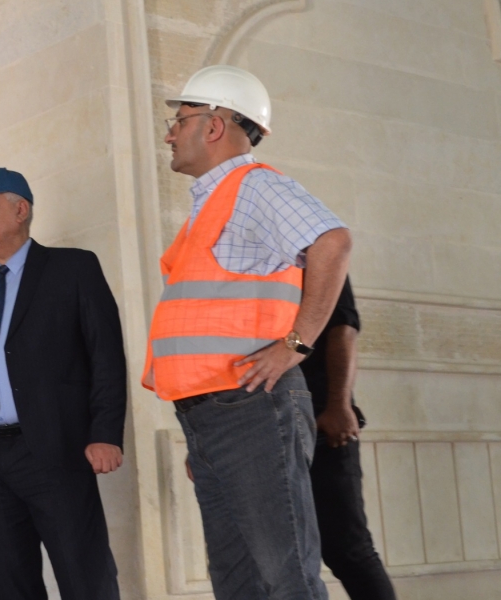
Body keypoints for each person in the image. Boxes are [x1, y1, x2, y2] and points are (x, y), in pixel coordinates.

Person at [147, 65, 351, 599]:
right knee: (238, 584)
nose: (170, 133)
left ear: (214, 127)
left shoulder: (255, 186)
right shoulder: (215, 202)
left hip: (251, 410)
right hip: (213, 414)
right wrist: (206, 432)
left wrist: (296, 345)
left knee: (286, 580)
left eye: (180, 119)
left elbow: (332, 242)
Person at [0, 168, 127, 600]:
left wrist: (105, 433)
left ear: (21, 210)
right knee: (5, 585)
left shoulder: (73, 268)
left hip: (55, 452)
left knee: (86, 579)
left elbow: (106, 357)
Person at [301, 277, 396, 599]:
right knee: (285, 552)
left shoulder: (320, 249)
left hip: (323, 421)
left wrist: (339, 404)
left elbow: (343, 330)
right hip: (265, 420)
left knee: (347, 548)